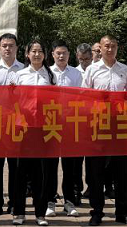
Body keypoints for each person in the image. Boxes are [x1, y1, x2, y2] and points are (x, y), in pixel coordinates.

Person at [83, 34, 127, 227]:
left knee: (122, 171)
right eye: (106, 46)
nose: (110, 49)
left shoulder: (124, 69)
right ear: (100, 48)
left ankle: (123, 212)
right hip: (98, 126)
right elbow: (84, 97)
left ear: (117, 48)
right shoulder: (92, 70)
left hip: (120, 125)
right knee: (96, 171)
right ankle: (97, 211)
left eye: (113, 46)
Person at [12, 40, 56, 226]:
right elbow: (12, 100)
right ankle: (19, 213)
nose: (37, 54)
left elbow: (56, 101)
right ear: (27, 54)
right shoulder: (19, 75)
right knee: (20, 173)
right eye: (33, 51)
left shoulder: (51, 75)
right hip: (23, 129)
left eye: (40, 51)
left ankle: (40, 213)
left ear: (45, 55)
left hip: (42, 131)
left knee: (41, 173)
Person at [0, 33, 25, 216]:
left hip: (17, 125)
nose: (8, 49)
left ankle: (15, 202)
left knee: (16, 166)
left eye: (11, 45)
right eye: (4, 46)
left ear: (17, 48)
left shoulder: (23, 70)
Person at [45, 41, 82, 217]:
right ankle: (50, 201)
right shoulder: (46, 72)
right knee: (50, 166)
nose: (61, 56)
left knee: (70, 167)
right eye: (58, 53)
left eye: (64, 53)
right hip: (51, 124)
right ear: (52, 54)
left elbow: (81, 97)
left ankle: (69, 201)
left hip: (70, 124)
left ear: (69, 55)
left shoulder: (76, 73)